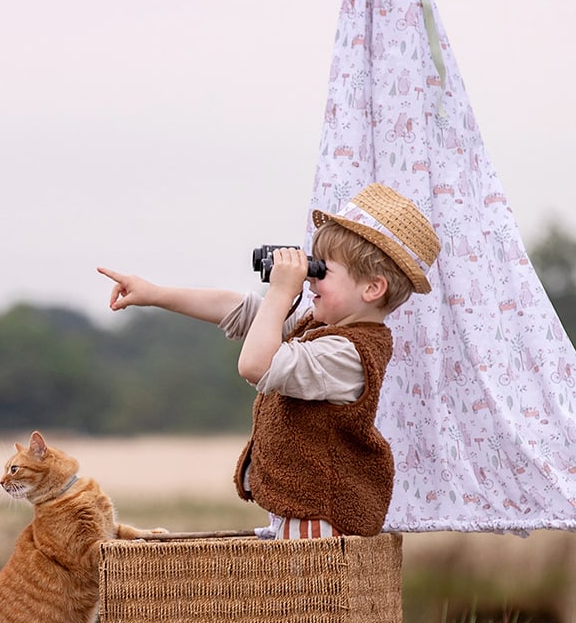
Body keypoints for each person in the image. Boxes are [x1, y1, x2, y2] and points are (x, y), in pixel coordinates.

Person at [98, 182, 440, 538]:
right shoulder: (319, 328)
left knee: (309, 597)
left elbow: (256, 365)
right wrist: (155, 294)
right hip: (302, 513)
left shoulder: (348, 354)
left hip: (322, 522)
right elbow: (242, 311)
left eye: (323, 270)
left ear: (372, 288)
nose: (310, 278)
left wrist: (281, 290)